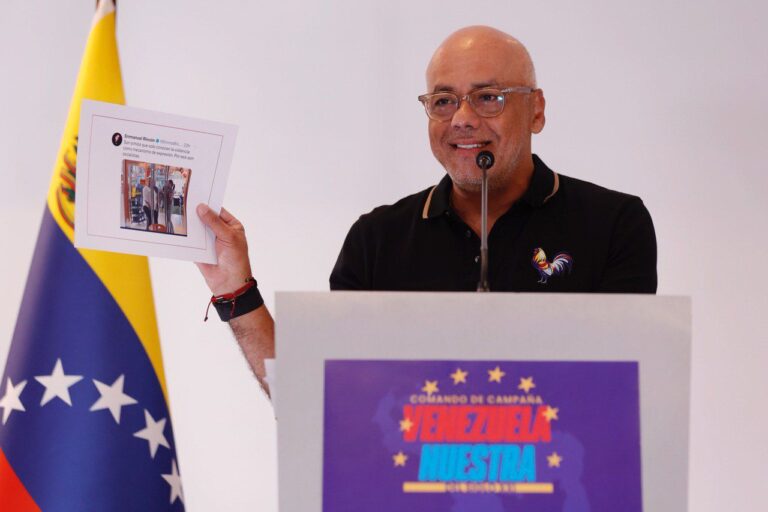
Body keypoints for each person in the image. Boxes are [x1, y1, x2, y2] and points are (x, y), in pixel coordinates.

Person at [195, 26, 656, 391]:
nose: (462, 119)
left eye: (488, 97)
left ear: (536, 110)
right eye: (443, 101)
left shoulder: (614, 224)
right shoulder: (377, 239)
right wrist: (236, 290)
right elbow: (319, 401)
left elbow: (618, 397)